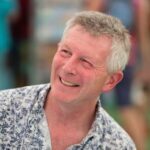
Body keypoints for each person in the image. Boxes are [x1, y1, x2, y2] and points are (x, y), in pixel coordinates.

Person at [0, 11, 136, 149]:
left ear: (111, 80)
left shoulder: (119, 145)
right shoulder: (4, 109)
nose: (67, 67)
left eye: (85, 61)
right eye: (65, 52)